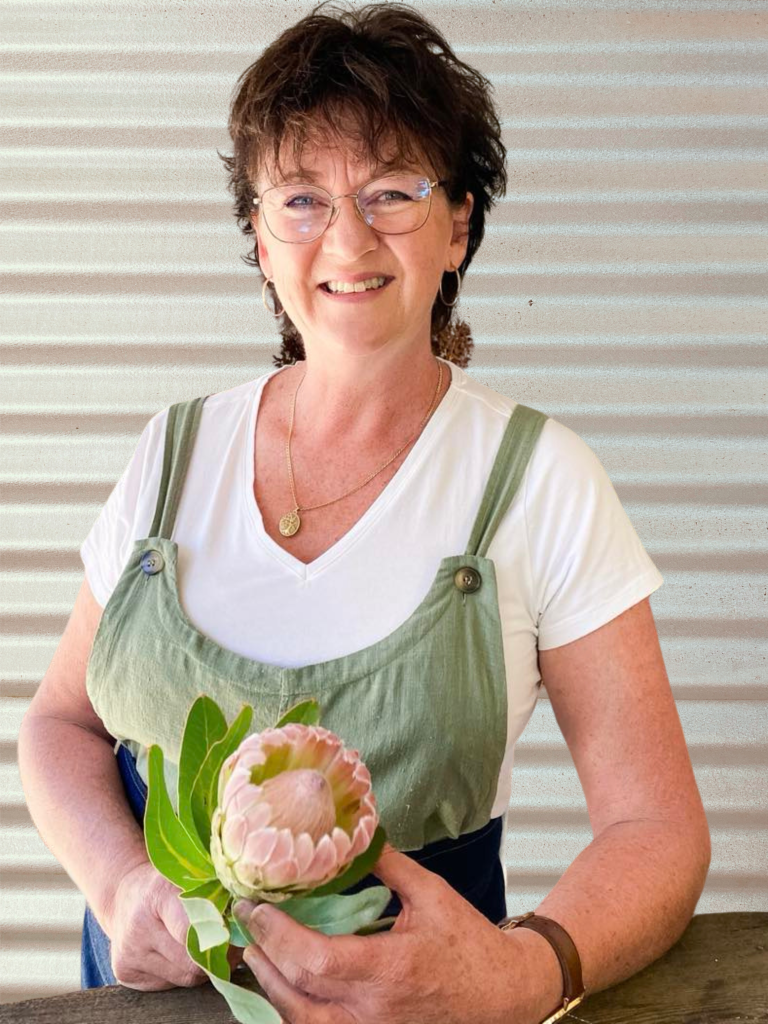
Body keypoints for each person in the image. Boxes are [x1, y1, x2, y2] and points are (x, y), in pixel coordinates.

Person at [17, 3, 711, 1023]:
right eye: (301, 199)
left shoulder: (540, 481)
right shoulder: (171, 455)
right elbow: (59, 724)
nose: (346, 236)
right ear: (258, 237)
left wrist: (524, 971)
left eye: (392, 191)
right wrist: (123, 883)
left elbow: (658, 828)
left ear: (459, 224)